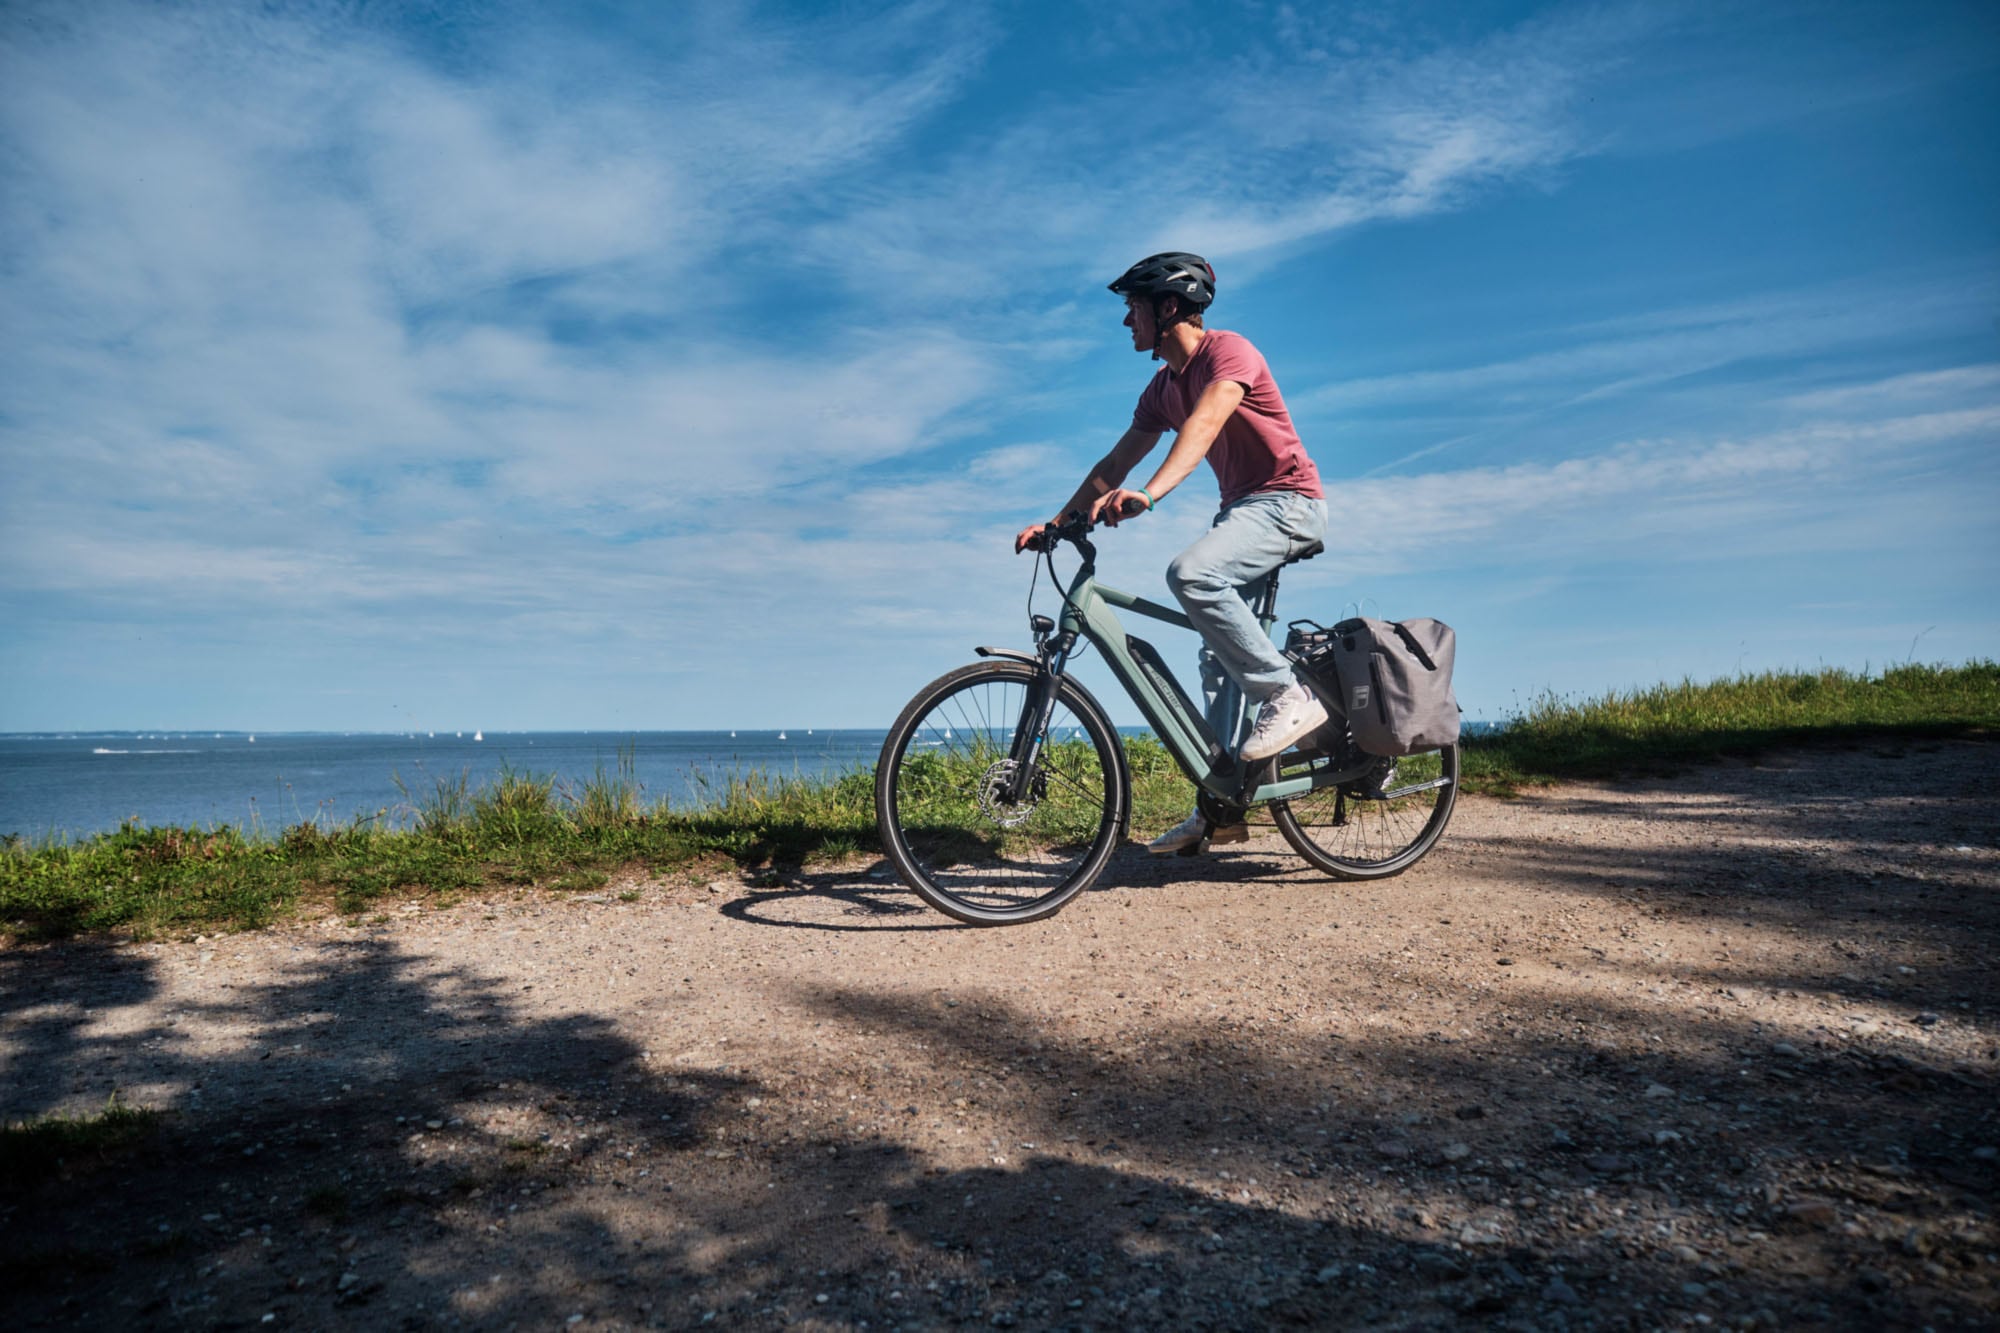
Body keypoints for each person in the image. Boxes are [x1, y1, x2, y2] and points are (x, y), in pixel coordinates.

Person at [1014, 251, 1330, 854]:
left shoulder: (1230, 353)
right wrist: (1055, 525)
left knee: (1190, 573)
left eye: (1132, 307)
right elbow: (1112, 465)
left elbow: (1205, 425)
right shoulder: (1163, 388)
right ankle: (1220, 810)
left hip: (1288, 502)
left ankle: (1289, 695)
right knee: (1219, 662)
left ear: (1167, 308)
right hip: (1241, 511)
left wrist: (1151, 496)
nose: (1124, 321)